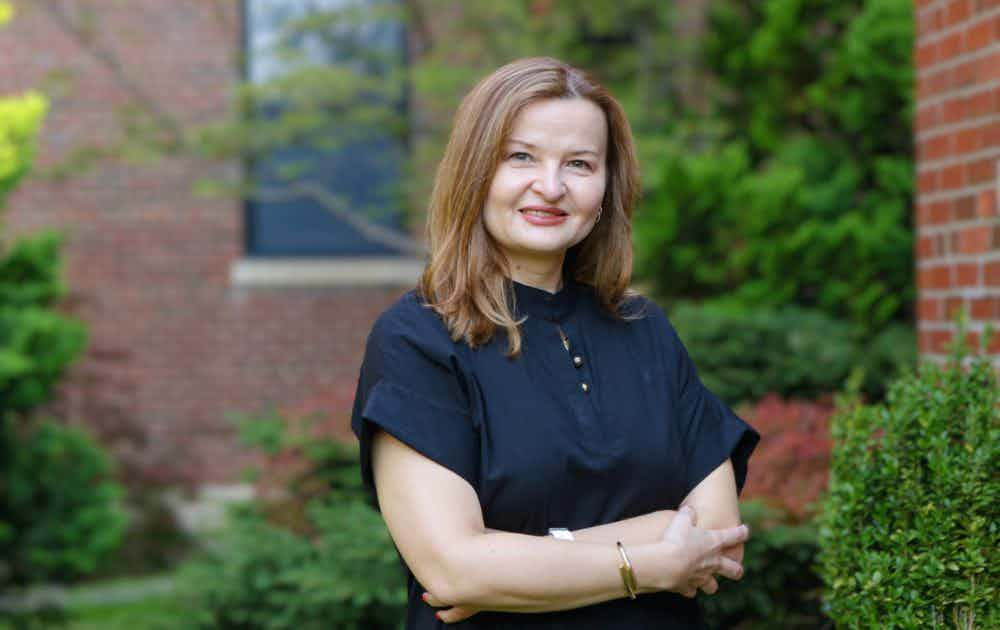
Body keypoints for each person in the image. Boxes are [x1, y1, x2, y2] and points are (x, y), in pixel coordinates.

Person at [350, 56, 760, 629]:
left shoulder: (644, 330)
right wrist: (654, 558)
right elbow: (454, 571)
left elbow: (718, 536)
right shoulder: (417, 341)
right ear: (475, 171)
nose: (551, 186)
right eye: (521, 157)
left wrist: (520, 558)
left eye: (580, 164)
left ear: (606, 186)